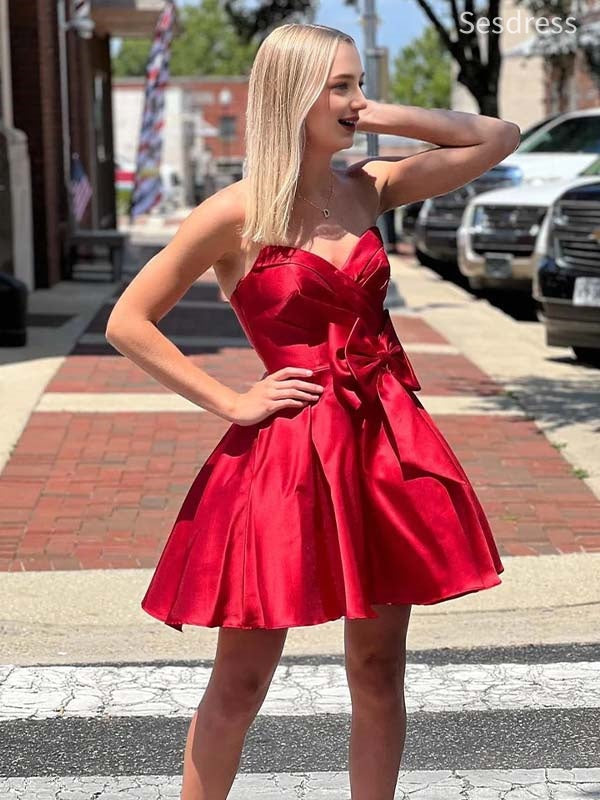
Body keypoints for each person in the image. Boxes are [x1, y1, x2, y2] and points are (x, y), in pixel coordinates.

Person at [105, 22, 520, 800]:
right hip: (288, 456)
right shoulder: (235, 212)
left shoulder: (370, 186)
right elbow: (129, 322)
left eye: (360, 83)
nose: (357, 100)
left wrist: (380, 113)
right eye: (341, 87)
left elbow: (496, 137)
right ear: (293, 95)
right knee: (241, 681)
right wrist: (232, 400)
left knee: (379, 667)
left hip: (383, 445)